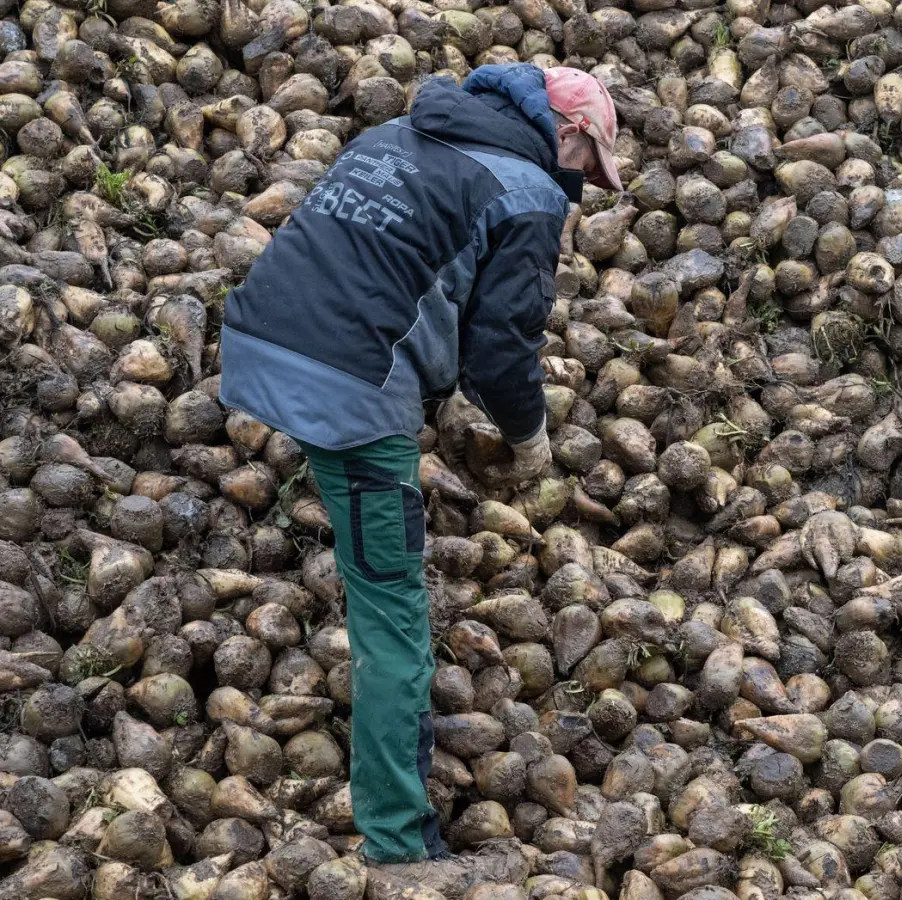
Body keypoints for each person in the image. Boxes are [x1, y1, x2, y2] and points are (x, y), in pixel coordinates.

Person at [218, 64, 623, 874]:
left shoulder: (394, 135)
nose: (585, 185)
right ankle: (400, 839)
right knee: (393, 609)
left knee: (375, 494)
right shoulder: (530, 192)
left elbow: (373, 267)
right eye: (592, 166)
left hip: (260, 339)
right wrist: (530, 439)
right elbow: (501, 349)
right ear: (570, 135)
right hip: (347, 387)